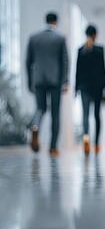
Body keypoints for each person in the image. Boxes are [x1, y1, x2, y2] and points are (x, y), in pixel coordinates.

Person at [26, 12, 69, 157]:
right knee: (55, 113)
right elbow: (65, 62)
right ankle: (53, 147)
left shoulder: (34, 38)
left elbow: (28, 62)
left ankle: (35, 125)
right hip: (55, 80)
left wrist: (30, 81)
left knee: (40, 108)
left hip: (38, 79)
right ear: (55, 22)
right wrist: (65, 81)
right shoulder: (60, 38)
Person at [75, 24, 105, 156]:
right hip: (97, 88)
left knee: (85, 115)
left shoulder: (80, 50)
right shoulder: (100, 50)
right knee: (96, 116)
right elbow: (103, 68)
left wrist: (76, 87)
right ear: (95, 35)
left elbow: (77, 70)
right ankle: (97, 144)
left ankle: (86, 140)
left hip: (84, 87)